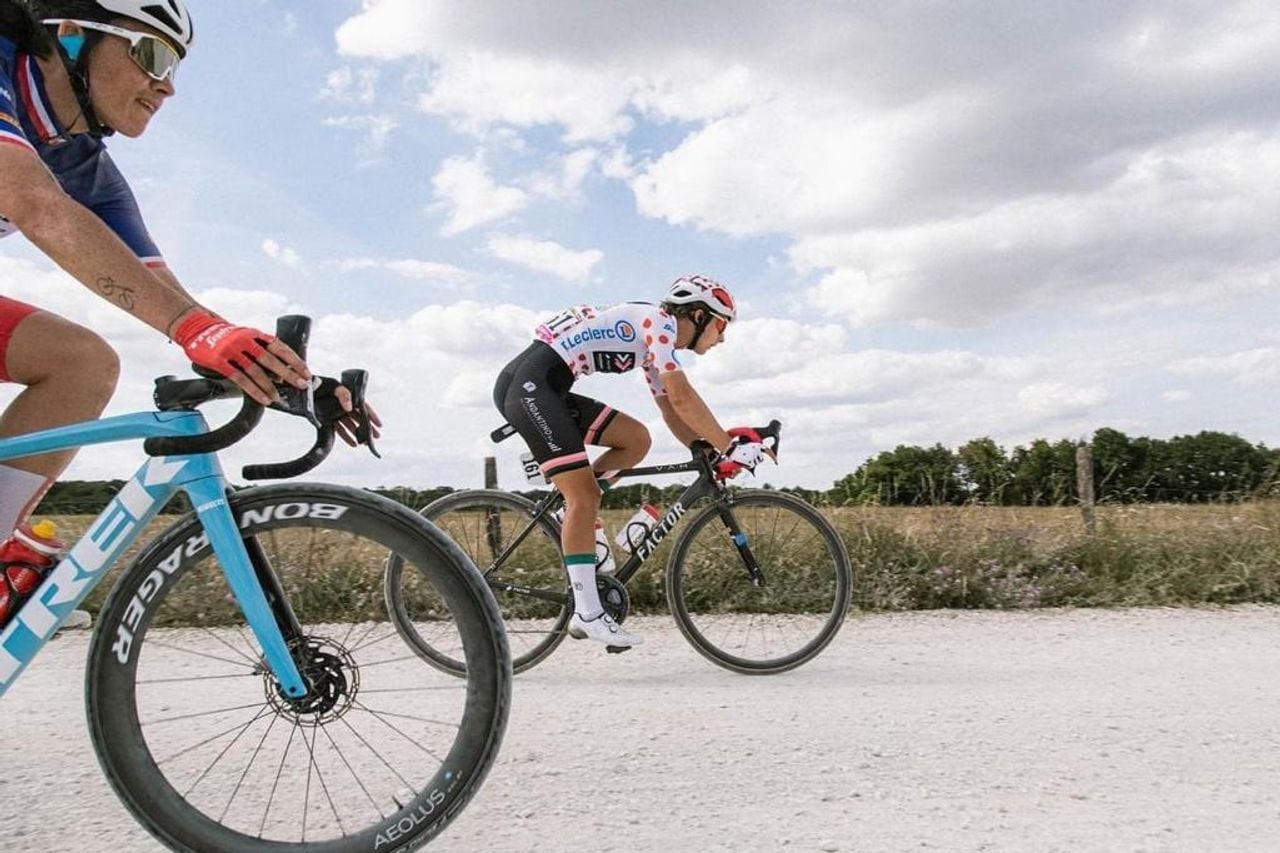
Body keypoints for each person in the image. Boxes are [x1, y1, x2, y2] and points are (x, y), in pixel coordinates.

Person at [0, 0, 375, 628]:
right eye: (152, 54)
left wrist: (297, 385)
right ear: (70, 37)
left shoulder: (80, 164)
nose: (167, 85)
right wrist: (195, 329)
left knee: (82, 363)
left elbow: (180, 308)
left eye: (175, 66)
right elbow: (32, 203)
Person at [493, 275, 768, 649]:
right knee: (584, 497)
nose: (722, 338)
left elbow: (671, 407)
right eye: (722, 326)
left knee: (635, 439)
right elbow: (683, 397)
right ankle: (588, 613)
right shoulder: (660, 323)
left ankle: (571, 515)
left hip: (543, 387)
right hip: (529, 388)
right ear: (701, 315)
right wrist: (729, 446)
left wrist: (702, 448)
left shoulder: (657, 341)